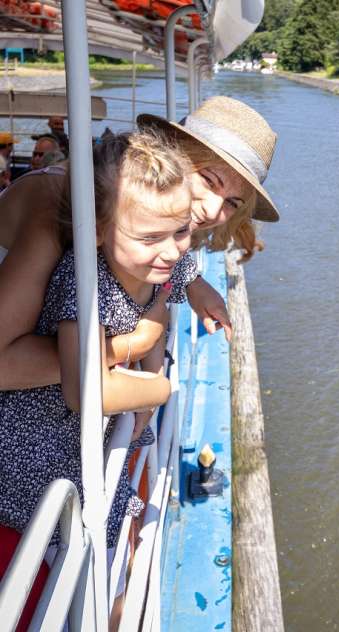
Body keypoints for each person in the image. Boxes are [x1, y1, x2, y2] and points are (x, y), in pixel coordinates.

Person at [0, 96, 281, 391]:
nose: (213, 211)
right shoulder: (59, 203)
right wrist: (134, 345)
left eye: (232, 203)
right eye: (209, 180)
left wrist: (192, 281)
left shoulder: (145, 212)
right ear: (169, 157)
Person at [0, 129, 195, 554]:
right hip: (36, 454)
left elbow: (163, 303)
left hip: (92, 443)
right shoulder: (85, 283)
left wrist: (152, 361)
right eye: (149, 239)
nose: (172, 251)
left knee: (112, 550)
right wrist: (159, 390)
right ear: (97, 232)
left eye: (181, 231)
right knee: (79, 562)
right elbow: (83, 391)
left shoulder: (167, 262)